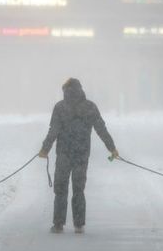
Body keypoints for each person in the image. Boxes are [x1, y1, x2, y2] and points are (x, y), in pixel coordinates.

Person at [38, 78, 119, 234]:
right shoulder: (90, 107)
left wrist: (45, 149)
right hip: (82, 154)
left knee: (61, 188)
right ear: (80, 89)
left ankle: (59, 224)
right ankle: (79, 224)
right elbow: (101, 129)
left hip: (64, 154)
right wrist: (112, 148)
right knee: (78, 188)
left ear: (65, 91)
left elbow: (53, 130)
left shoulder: (60, 107)